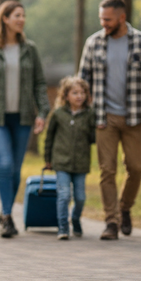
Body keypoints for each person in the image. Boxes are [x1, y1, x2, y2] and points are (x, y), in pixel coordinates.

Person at [78, 0, 141, 240]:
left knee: (135, 168)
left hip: (134, 116)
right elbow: (83, 81)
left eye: (108, 19)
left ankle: (124, 207)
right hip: (105, 118)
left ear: (122, 18)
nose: (103, 23)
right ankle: (111, 221)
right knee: (107, 170)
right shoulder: (93, 43)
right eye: (101, 19)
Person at [0, 0, 50, 238]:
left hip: (23, 116)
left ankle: (4, 209)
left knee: (15, 170)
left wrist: (43, 112)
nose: (21, 19)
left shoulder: (30, 49)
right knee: (4, 165)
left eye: (23, 15)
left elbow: (39, 83)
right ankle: (7, 215)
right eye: (17, 15)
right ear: (4, 18)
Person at [42, 76, 95, 240]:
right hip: (61, 163)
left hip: (80, 163)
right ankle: (63, 227)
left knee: (80, 198)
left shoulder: (89, 115)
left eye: (82, 93)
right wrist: (48, 158)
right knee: (64, 195)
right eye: (75, 93)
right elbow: (49, 137)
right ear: (65, 96)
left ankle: (75, 219)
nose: (79, 96)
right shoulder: (58, 114)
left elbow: (93, 138)